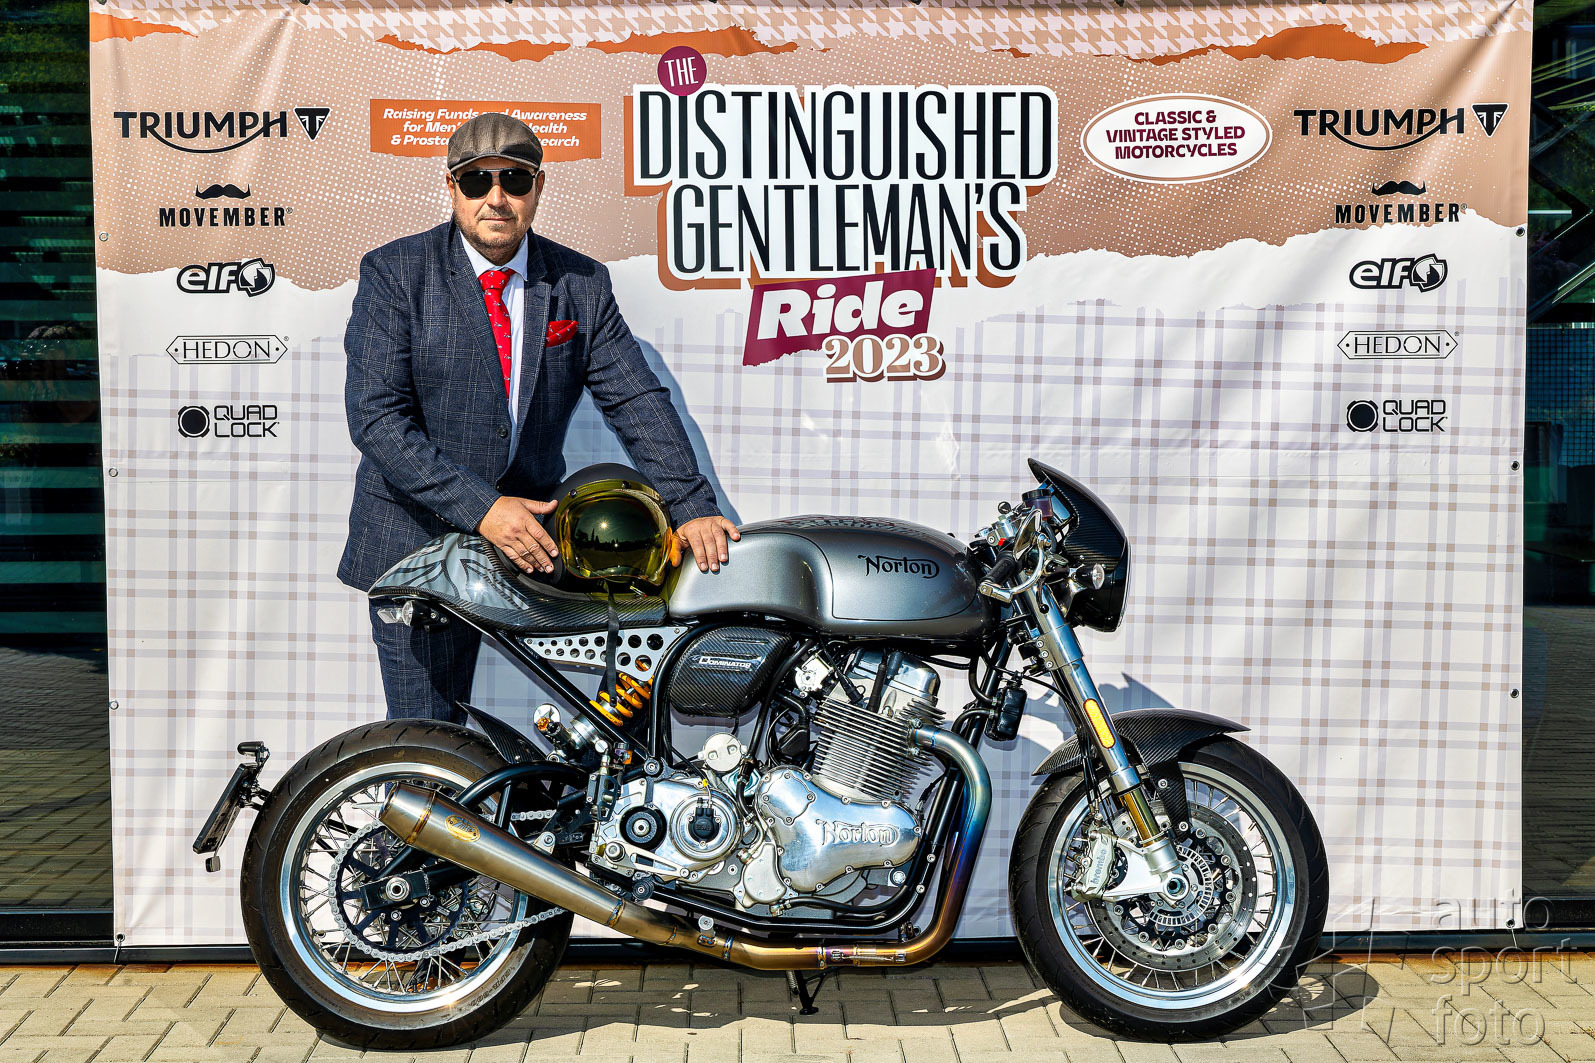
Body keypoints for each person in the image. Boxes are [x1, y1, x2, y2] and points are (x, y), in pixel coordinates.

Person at [339, 112, 738, 722]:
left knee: (599, 728)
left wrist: (691, 505)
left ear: (538, 186)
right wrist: (484, 508)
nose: (496, 198)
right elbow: (377, 419)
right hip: (416, 541)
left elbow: (635, 399)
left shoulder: (581, 283)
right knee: (430, 737)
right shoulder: (396, 274)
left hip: (537, 546)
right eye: (477, 180)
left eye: (515, 179)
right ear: (452, 187)